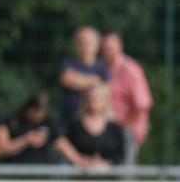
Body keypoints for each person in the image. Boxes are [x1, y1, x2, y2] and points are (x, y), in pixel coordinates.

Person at [102, 32, 152, 163]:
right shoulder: (104, 68)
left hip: (125, 131)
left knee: (123, 173)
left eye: (110, 48)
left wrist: (124, 127)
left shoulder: (130, 69)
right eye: (104, 48)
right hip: (107, 131)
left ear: (120, 47)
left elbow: (141, 105)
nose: (106, 51)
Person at [64, 84, 125, 167]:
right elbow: (67, 149)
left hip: (108, 176)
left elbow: (120, 155)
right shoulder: (75, 125)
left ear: (105, 100)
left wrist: (106, 164)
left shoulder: (114, 128)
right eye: (91, 97)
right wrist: (81, 161)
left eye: (98, 97)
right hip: (80, 174)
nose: (94, 100)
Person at [59, 26, 109, 125]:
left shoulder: (102, 67)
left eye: (87, 43)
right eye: (80, 42)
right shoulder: (68, 63)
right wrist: (94, 81)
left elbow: (106, 91)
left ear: (97, 45)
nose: (84, 46)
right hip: (69, 119)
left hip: (93, 123)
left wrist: (78, 79)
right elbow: (66, 80)